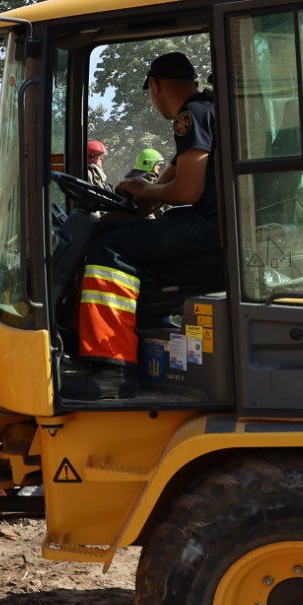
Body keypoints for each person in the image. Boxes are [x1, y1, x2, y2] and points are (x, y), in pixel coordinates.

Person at [69, 52, 220, 400]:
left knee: (109, 249)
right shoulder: (209, 109)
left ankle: (111, 369)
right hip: (215, 224)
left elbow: (185, 190)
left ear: (155, 85)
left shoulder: (191, 114)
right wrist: (126, 210)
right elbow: (165, 187)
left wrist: (140, 190)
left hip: (209, 228)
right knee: (115, 234)